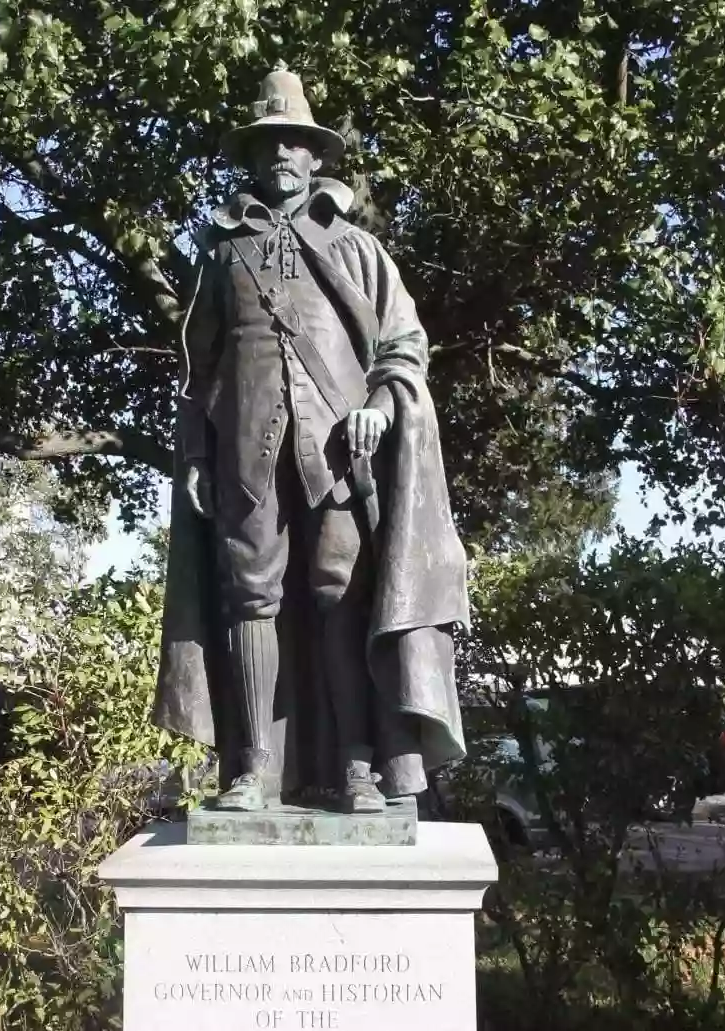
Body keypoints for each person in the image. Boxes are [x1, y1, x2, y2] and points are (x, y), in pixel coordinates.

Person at [154, 63, 469, 814]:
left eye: (294, 143)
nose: (282, 157)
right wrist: (197, 454)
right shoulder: (218, 255)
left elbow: (403, 344)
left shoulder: (357, 248)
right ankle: (251, 769)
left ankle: (360, 767)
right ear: (252, 159)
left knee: (342, 595)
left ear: (315, 154)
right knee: (248, 599)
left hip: (337, 454)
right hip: (244, 458)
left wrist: (384, 406)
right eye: (268, 144)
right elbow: (198, 371)